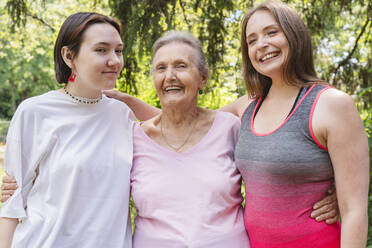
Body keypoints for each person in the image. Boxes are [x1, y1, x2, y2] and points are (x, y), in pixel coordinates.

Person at [0, 12, 134, 247]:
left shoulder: (124, 116)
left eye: (118, 50)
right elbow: (12, 202)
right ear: (69, 55)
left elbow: (186, 129)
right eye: (101, 50)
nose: (114, 60)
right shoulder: (35, 112)